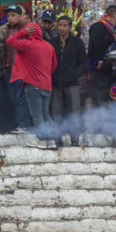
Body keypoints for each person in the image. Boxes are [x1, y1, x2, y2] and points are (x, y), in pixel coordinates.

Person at [7, 22, 57, 149]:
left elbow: (10, 41)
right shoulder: (49, 46)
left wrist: (23, 32)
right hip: (47, 85)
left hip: (33, 85)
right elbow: (54, 65)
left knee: (37, 115)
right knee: (45, 114)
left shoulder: (28, 44)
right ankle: (51, 140)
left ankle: (40, 139)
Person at [49, 15, 86, 144]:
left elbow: (83, 62)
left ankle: (75, 139)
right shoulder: (52, 42)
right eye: (60, 25)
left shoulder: (77, 42)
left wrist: (75, 74)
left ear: (70, 27)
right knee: (55, 111)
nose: (62, 28)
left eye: (65, 25)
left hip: (72, 82)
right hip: (56, 82)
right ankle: (57, 139)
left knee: (74, 112)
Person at [0, 5, 31, 133]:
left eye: (13, 15)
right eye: (8, 16)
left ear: (21, 16)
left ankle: (24, 124)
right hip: (8, 69)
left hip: (21, 69)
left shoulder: (27, 29)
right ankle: (19, 123)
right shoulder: (7, 30)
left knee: (21, 98)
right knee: (14, 98)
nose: (10, 18)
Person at [87, 5, 116, 105]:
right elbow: (96, 46)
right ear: (115, 15)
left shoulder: (109, 26)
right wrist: (100, 60)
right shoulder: (99, 26)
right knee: (100, 96)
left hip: (108, 67)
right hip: (99, 68)